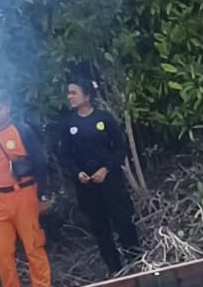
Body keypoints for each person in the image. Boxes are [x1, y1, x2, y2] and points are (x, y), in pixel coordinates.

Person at [57, 78, 141, 272]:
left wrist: (107, 169)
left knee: (123, 222)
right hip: (87, 187)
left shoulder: (104, 119)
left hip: (111, 182)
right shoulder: (68, 125)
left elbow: (120, 149)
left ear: (87, 95)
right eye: (68, 93)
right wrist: (78, 173)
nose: (70, 97)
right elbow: (65, 156)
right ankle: (115, 269)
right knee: (100, 228)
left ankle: (136, 261)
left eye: (74, 92)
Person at [0, 92, 52, 287]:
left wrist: (43, 195)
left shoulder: (22, 131)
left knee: (33, 244)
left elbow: (40, 162)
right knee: (2, 250)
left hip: (24, 193)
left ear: (8, 108)